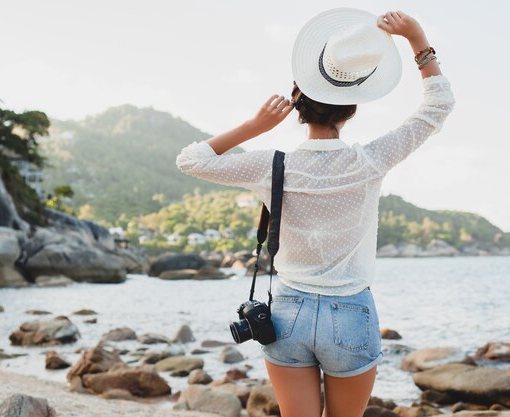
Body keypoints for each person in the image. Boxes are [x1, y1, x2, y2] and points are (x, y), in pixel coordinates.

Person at [175, 8, 455, 417]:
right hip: (352, 312)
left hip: (288, 313)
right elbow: (438, 106)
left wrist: (256, 126)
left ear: (297, 104)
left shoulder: (271, 164)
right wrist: (418, 40)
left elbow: (191, 161)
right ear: (352, 108)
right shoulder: (369, 161)